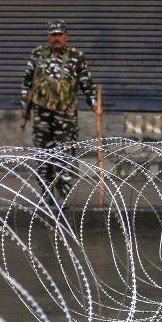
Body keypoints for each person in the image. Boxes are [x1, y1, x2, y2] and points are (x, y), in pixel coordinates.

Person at [20, 19, 103, 202]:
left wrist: (94, 105)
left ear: (66, 36)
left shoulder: (76, 57)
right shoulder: (37, 54)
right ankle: (46, 197)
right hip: (42, 115)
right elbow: (27, 80)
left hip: (65, 116)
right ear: (48, 36)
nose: (56, 38)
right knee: (43, 156)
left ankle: (63, 198)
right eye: (53, 35)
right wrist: (24, 105)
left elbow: (86, 84)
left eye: (59, 34)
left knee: (65, 156)